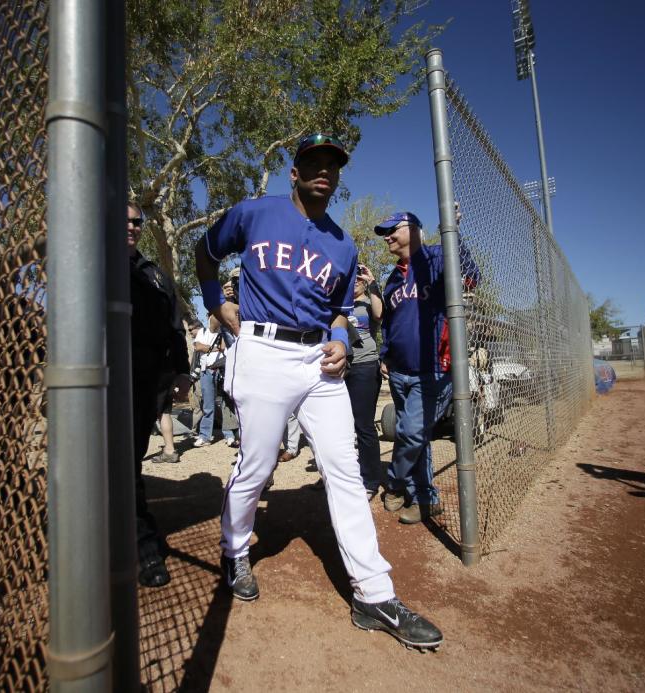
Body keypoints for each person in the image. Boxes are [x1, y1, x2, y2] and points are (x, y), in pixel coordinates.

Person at [194, 133, 442, 649]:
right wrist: (218, 305)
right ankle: (234, 547)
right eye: (313, 161)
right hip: (262, 351)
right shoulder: (254, 213)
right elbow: (205, 252)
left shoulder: (343, 244)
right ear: (295, 171)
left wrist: (339, 342)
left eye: (332, 163)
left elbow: (340, 310)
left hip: (319, 364)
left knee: (345, 471)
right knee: (258, 466)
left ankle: (374, 595)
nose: (324, 170)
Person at [375, 210, 479, 525]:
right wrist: (385, 354)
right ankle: (424, 498)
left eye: (393, 229)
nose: (388, 236)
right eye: (385, 233)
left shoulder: (436, 256)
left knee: (410, 431)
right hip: (399, 371)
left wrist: (453, 233)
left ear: (415, 229)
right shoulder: (392, 278)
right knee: (416, 438)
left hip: (433, 369)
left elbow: (471, 275)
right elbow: (390, 323)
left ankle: (394, 482)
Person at [128, 201, 192, 587]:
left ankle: (137, 542)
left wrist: (182, 370)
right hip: (100, 383)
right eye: (124, 221)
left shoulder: (155, 275)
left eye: (137, 221)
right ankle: (140, 544)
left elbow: (176, 326)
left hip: (145, 384)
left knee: (129, 463)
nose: (132, 226)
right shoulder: (92, 264)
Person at [345, 264, 385, 500]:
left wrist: (371, 282)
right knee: (341, 426)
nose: (355, 281)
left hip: (364, 366)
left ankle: (370, 480)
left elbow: (380, 315)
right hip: (342, 367)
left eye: (358, 278)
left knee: (364, 425)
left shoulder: (370, 302)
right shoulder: (341, 303)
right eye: (353, 277)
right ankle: (344, 476)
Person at [192, 316, 236, 447]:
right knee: (208, 405)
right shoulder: (203, 331)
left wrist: (210, 347)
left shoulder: (225, 331)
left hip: (223, 369)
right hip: (207, 370)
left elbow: (224, 347)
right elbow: (198, 347)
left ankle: (229, 434)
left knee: (226, 403)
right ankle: (205, 436)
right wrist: (215, 347)